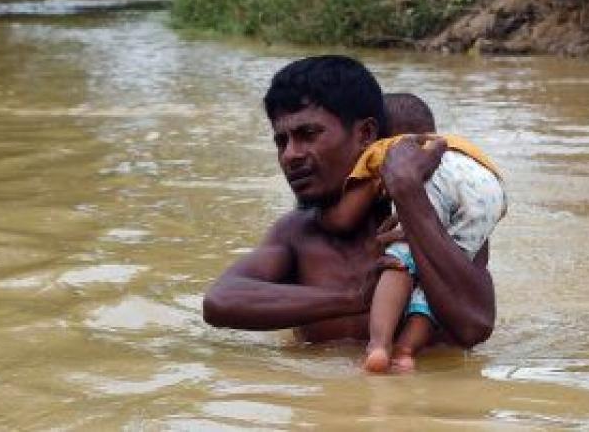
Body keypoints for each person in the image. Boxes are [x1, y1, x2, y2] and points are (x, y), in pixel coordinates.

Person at [202, 56, 500, 351]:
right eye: (282, 141)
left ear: (366, 135)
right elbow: (221, 301)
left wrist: (409, 195)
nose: (290, 154)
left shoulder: (448, 219)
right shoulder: (297, 233)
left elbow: (473, 326)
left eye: (308, 134)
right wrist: (353, 298)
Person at [324, 93, 505, 373]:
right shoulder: (457, 146)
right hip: (490, 190)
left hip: (437, 183)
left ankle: (379, 346)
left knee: (402, 256)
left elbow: (343, 217)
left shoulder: (393, 149)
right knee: (440, 273)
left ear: (374, 133)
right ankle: (406, 351)